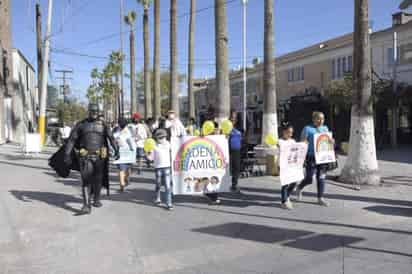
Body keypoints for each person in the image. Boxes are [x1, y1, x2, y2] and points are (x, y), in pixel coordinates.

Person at [64, 103, 119, 214]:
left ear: (98, 112)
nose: (94, 113)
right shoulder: (81, 125)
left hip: (100, 157)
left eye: (96, 111)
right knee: (86, 180)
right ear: (88, 111)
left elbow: (111, 138)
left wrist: (117, 150)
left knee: (98, 180)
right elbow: (72, 140)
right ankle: (86, 205)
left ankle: (97, 199)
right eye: (92, 111)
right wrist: (67, 153)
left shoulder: (104, 125)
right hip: (85, 156)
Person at [295, 111, 332, 207]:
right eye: (318, 118)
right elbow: (302, 142)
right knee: (309, 178)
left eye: (322, 119)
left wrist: (332, 141)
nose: (321, 121)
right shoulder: (307, 129)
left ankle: (320, 198)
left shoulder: (325, 128)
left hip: (323, 157)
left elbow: (328, 142)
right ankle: (299, 187)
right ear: (314, 119)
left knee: (321, 178)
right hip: (311, 157)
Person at [147, 128, 173, 210]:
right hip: (158, 168)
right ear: (156, 138)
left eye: (163, 137)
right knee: (158, 184)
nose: (162, 139)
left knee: (168, 186)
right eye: (160, 138)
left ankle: (169, 203)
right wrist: (147, 153)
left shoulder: (169, 144)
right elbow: (151, 158)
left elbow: (176, 150)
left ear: (166, 137)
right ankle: (158, 197)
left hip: (167, 167)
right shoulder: (154, 146)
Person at [278, 122, 298, 210]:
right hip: (283, 165)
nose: (290, 134)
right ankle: (284, 202)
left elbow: (296, 151)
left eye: (291, 132)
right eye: (289, 132)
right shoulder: (279, 141)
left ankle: (287, 196)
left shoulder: (293, 141)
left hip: (292, 164)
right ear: (284, 132)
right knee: (285, 183)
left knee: (294, 182)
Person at [114, 118, 135, 192]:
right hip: (128, 152)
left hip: (120, 152)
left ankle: (122, 184)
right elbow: (131, 140)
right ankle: (125, 181)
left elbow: (114, 140)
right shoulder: (129, 130)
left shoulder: (116, 131)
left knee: (121, 170)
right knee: (126, 168)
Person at [229, 118, 242, 193]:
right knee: (229, 168)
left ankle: (234, 184)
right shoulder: (227, 129)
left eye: (234, 119)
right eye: (232, 120)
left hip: (237, 151)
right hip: (230, 150)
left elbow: (241, 138)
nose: (234, 121)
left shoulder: (239, 128)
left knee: (236, 168)